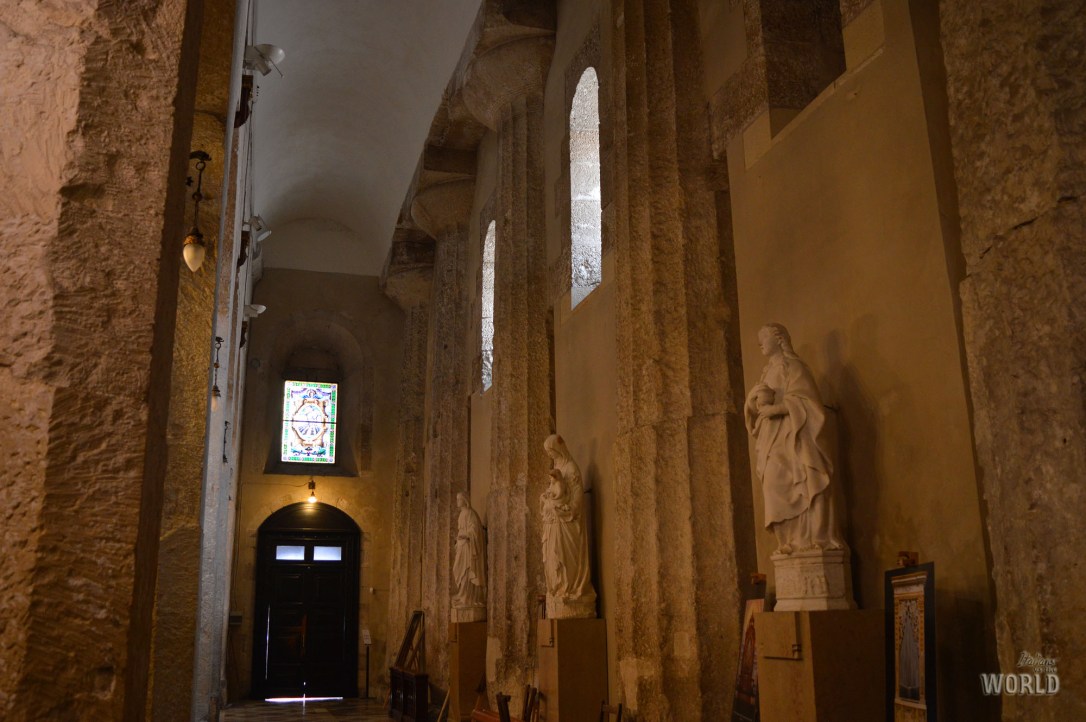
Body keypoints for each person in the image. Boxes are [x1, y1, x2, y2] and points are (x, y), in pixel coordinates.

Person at [744, 323, 844, 555]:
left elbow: (810, 404)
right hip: (772, 439)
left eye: (764, 338)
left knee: (804, 483)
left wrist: (778, 408)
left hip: (794, 439)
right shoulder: (766, 371)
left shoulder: (794, 367)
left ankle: (811, 539)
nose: (759, 344)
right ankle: (788, 542)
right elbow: (754, 408)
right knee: (772, 486)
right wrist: (753, 402)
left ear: (779, 339)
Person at [540, 434, 596, 615]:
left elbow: (577, 500)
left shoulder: (571, 468)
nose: (551, 456)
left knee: (566, 557)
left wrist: (565, 508)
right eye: (548, 453)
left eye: (552, 452)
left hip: (567, 521)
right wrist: (547, 498)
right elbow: (552, 491)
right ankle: (558, 588)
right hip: (554, 521)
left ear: (559, 449)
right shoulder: (557, 467)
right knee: (553, 556)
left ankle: (570, 588)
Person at [452, 492, 487, 610]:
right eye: (457, 499)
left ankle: (467, 597)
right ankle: (462, 595)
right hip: (461, 546)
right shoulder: (461, 514)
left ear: (465, 500)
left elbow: (475, 531)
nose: (457, 501)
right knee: (458, 569)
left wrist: (465, 535)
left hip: (468, 547)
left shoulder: (470, 513)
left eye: (459, 499)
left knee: (467, 570)